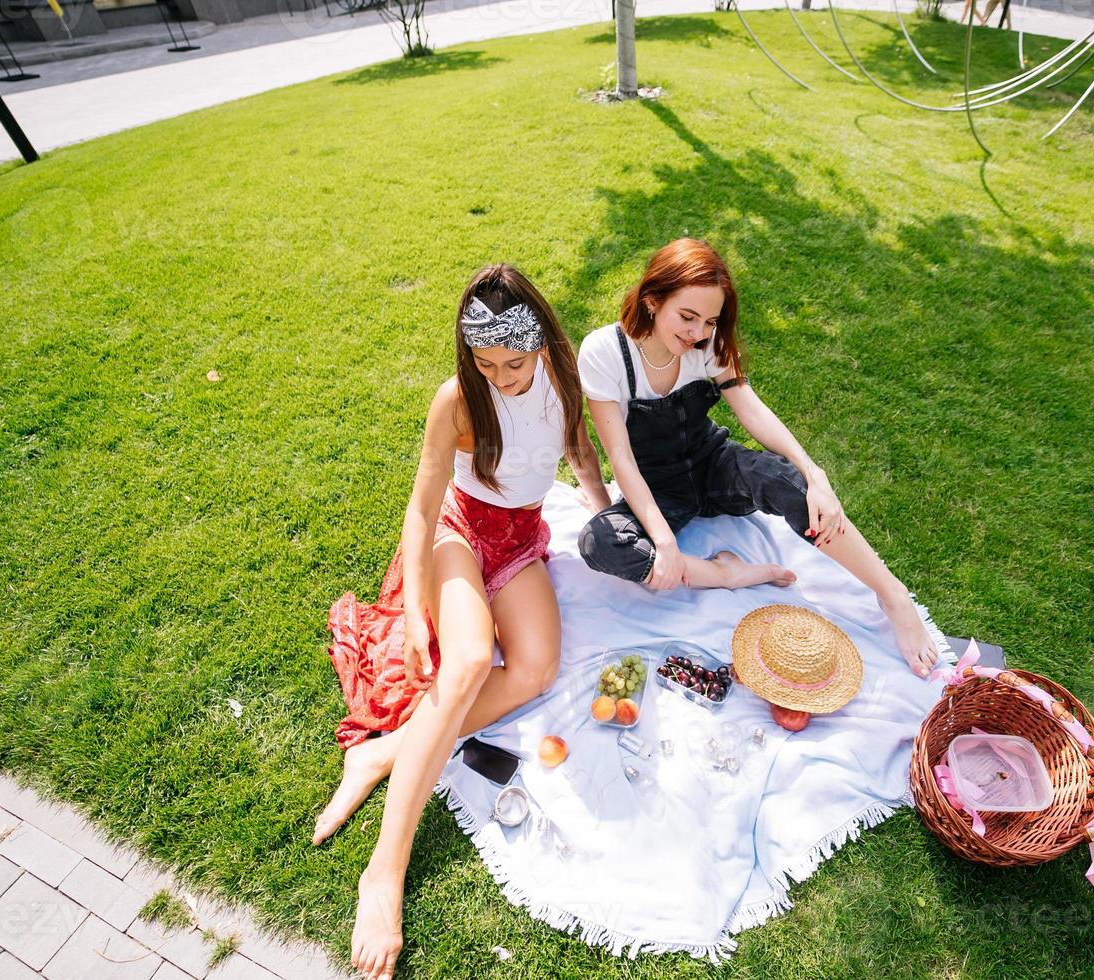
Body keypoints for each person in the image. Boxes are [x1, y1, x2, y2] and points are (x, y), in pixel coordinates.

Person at [325, 265, 611, 980]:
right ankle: (383, 874)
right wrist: (419, 611)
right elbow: (422, 508)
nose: (501, 377)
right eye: (485, 364)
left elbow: (579, 452)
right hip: (459, 534)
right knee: (464, 664)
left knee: (537, 668)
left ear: (540, 344)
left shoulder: (565, 381)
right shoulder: (456, 399)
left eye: (512, 362)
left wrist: (605, 513)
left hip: (518, 540)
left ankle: (385, 752)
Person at [576, 238, 940, 679]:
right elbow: (622, 459)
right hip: (658, 488)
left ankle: (892, 595)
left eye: (709, 321)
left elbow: (750, 409)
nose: (697, 333)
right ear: (652, 301)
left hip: (712, 467)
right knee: (599, 541)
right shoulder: (604, 352)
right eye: (686, 317)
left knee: (793, 487)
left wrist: (814, 472)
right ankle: (724, 573)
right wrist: (663, 540)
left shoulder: (708, 344)